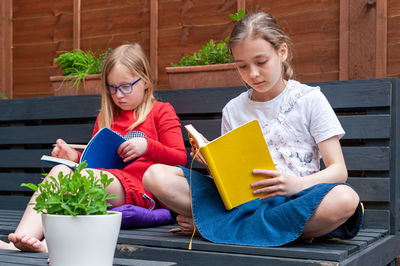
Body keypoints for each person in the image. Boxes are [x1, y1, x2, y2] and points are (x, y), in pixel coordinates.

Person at [142, 12, 363, 246]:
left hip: (296, 198)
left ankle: (216, 226)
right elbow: (232, 180)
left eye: (261, 62)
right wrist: (215, 165)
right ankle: (287, 230)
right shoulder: (233, 109)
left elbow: (339, 170)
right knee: (155, 176)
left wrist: (296, 184)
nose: (253, 74)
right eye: (242, 66)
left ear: (282, 52)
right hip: (244, 203)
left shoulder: (310, 99)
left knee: (345, 199)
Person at [0, 43, 187, 252]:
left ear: (145, 81)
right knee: (59, 171)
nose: (118, 95)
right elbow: (98, 161)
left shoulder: (161, 111)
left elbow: (179, 157)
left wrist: (147, 146)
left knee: (87, 179)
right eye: (112, 88)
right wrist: (74, 157)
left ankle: (53, 243)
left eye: (125, 86)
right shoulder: (107, 116)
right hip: (106, 181)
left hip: (144, 189)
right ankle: (21, 240)